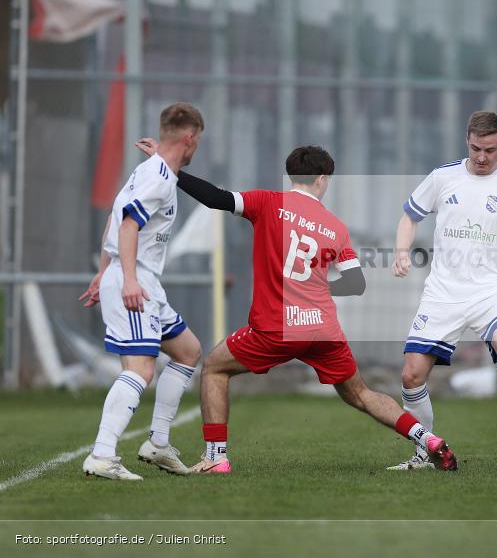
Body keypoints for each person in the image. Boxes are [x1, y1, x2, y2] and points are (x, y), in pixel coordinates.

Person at [135, 140, 458, 473]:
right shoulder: (335, 227)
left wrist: (172, 169)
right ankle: (427, 438)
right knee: (361, 393)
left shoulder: (266, 202)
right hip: (323, 329)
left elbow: (215, 197)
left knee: (215, 367)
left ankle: (216, 457)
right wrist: (318, 287)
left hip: (276, 327)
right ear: (321, 178)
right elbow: (355, 284)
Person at [390, 111, 497, 471]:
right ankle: (424, 452)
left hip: (491, 289)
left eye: (489, 150)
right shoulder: (443, 177)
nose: (481, 157)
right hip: (443, 292)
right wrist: (401, 252)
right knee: (411, 375)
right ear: (467, 141)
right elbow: (409, 217)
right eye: (476, 148)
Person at [79, 103, 206, 480]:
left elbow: (113, 218)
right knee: (140, 369)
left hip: (139, 280)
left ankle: (158, 443)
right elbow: (128, 226)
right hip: (136, 282)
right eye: (197, 139)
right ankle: (102, 454)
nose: (197, 145)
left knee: (188, 351)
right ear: (188, 137)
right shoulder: (158, 178)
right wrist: (127, 279)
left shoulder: (150, 170)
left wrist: (104, 273)